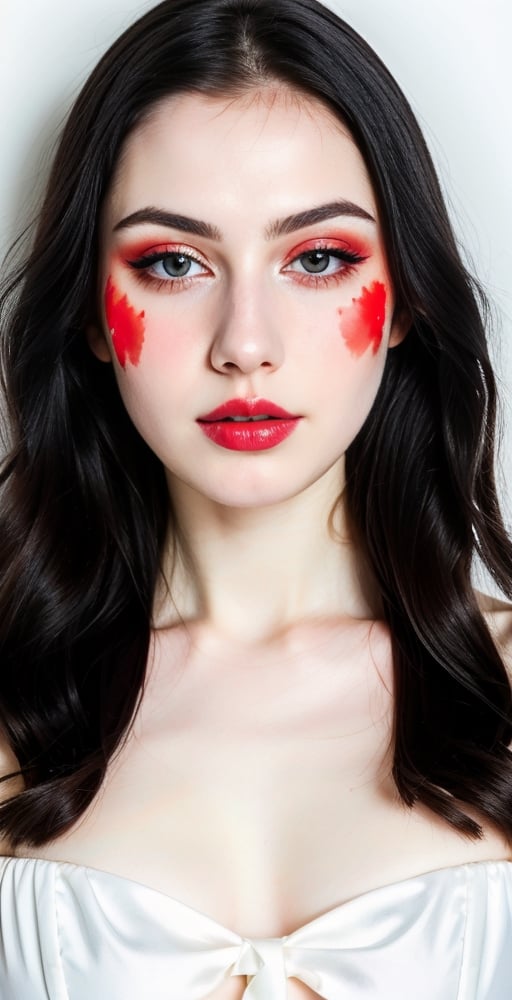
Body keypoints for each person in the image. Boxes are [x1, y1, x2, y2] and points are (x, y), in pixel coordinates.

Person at [0, 0, 511, 996]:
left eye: (317, 259)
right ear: (93, 320)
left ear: (404, 296)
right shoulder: (14, 699)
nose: (244, 340)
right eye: (172, 262)